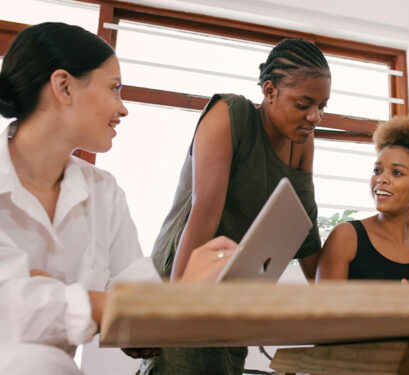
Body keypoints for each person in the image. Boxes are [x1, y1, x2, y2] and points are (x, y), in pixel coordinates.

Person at [0, 22, 237, 375]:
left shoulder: (103, 193)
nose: (123, 108)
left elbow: (142, 325)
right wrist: (107, 306)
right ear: (63, 87)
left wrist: (183, 298)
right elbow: (15, 310)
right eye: (114, 89)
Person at [145, 39, 331, 374]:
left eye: (322, 106)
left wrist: (337, 307)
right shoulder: (229, 115)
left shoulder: (301, 141)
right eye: (304, 103)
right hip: (187, 275)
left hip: (236, 289)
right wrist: (175, 306)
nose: (314, 116)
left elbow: (306, 228)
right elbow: (205, 213)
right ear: (270, 91)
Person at [316, 116, 409, 367]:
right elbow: (321, 329)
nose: (381, 179)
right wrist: (398, 312)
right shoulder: (346, 237)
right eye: (377, 170)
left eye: (396, 172)